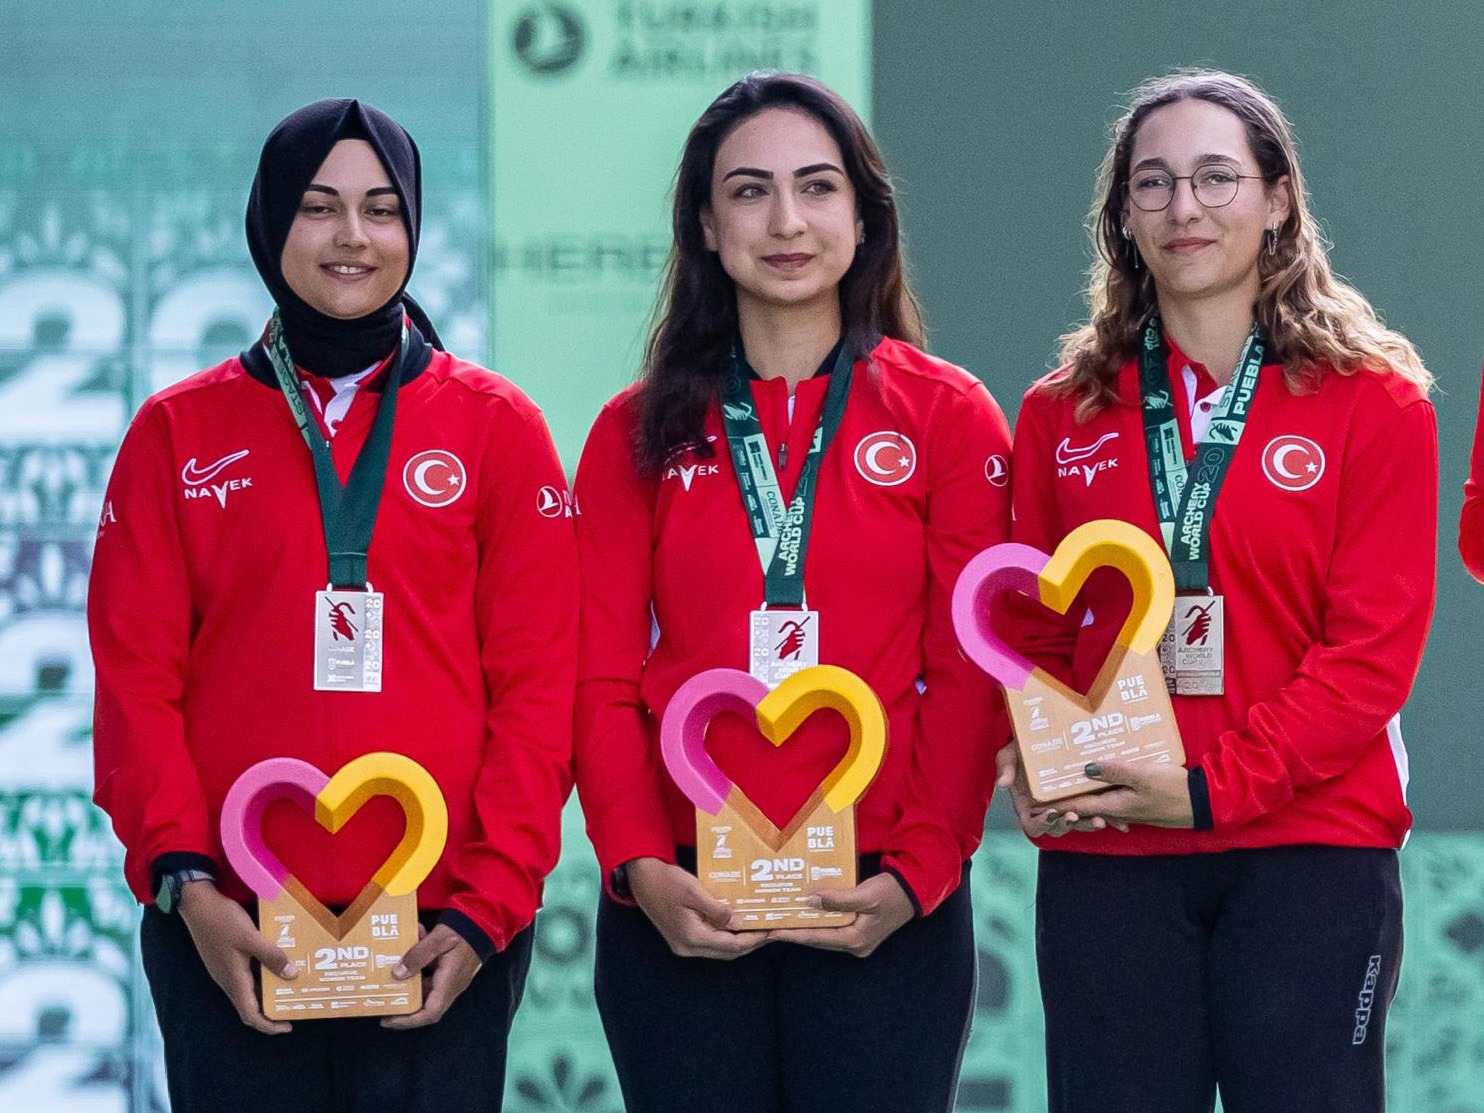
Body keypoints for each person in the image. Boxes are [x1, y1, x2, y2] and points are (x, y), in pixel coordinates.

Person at [88, 99, 575, 1112]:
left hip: (438, 934)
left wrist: (486, 908)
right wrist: (188, 885)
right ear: (270, 222)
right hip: (233, 926)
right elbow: (135, 680)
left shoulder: (496, 427)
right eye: (318, 207)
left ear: (413, 228)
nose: (353, 236)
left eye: (381, 209)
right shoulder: (177, 432)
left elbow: (539, 686)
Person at [572, 72, 1012, 1113]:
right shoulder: (633, 430)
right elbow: (595, 674)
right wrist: (637, 864)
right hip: (682, 898)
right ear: (704, 224)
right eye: (749, 191)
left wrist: (918, 872)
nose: (784, 222)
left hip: (880, 897)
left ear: (863, 217)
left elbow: (967, 671)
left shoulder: (948, 416)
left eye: (816, 187)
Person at [999, 70, 1436, 1112]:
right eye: (1152, 183)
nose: (1182, 208)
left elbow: (1367, 659)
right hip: (1113, 851)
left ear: (1277, 198)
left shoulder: (1374, 402)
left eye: (1214, 177)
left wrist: (1204, 789)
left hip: (1309, 850)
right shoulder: (1061, 413)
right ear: (1122, 215)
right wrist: (1031, 750)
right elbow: (1031, 635)